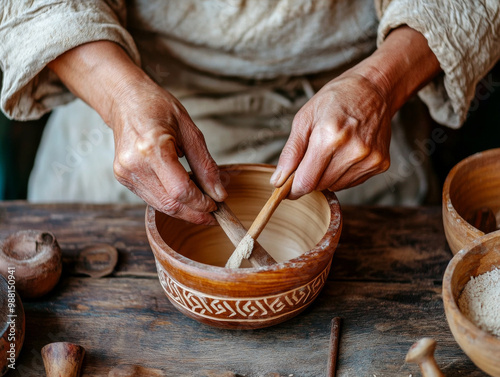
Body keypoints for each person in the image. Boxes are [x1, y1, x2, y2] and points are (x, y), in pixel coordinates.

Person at [0, 1, 498, 225]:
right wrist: (119, 98)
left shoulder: (371, 92)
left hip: (351, 106)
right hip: (134, 90)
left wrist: (379, 85)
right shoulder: (123, 98)